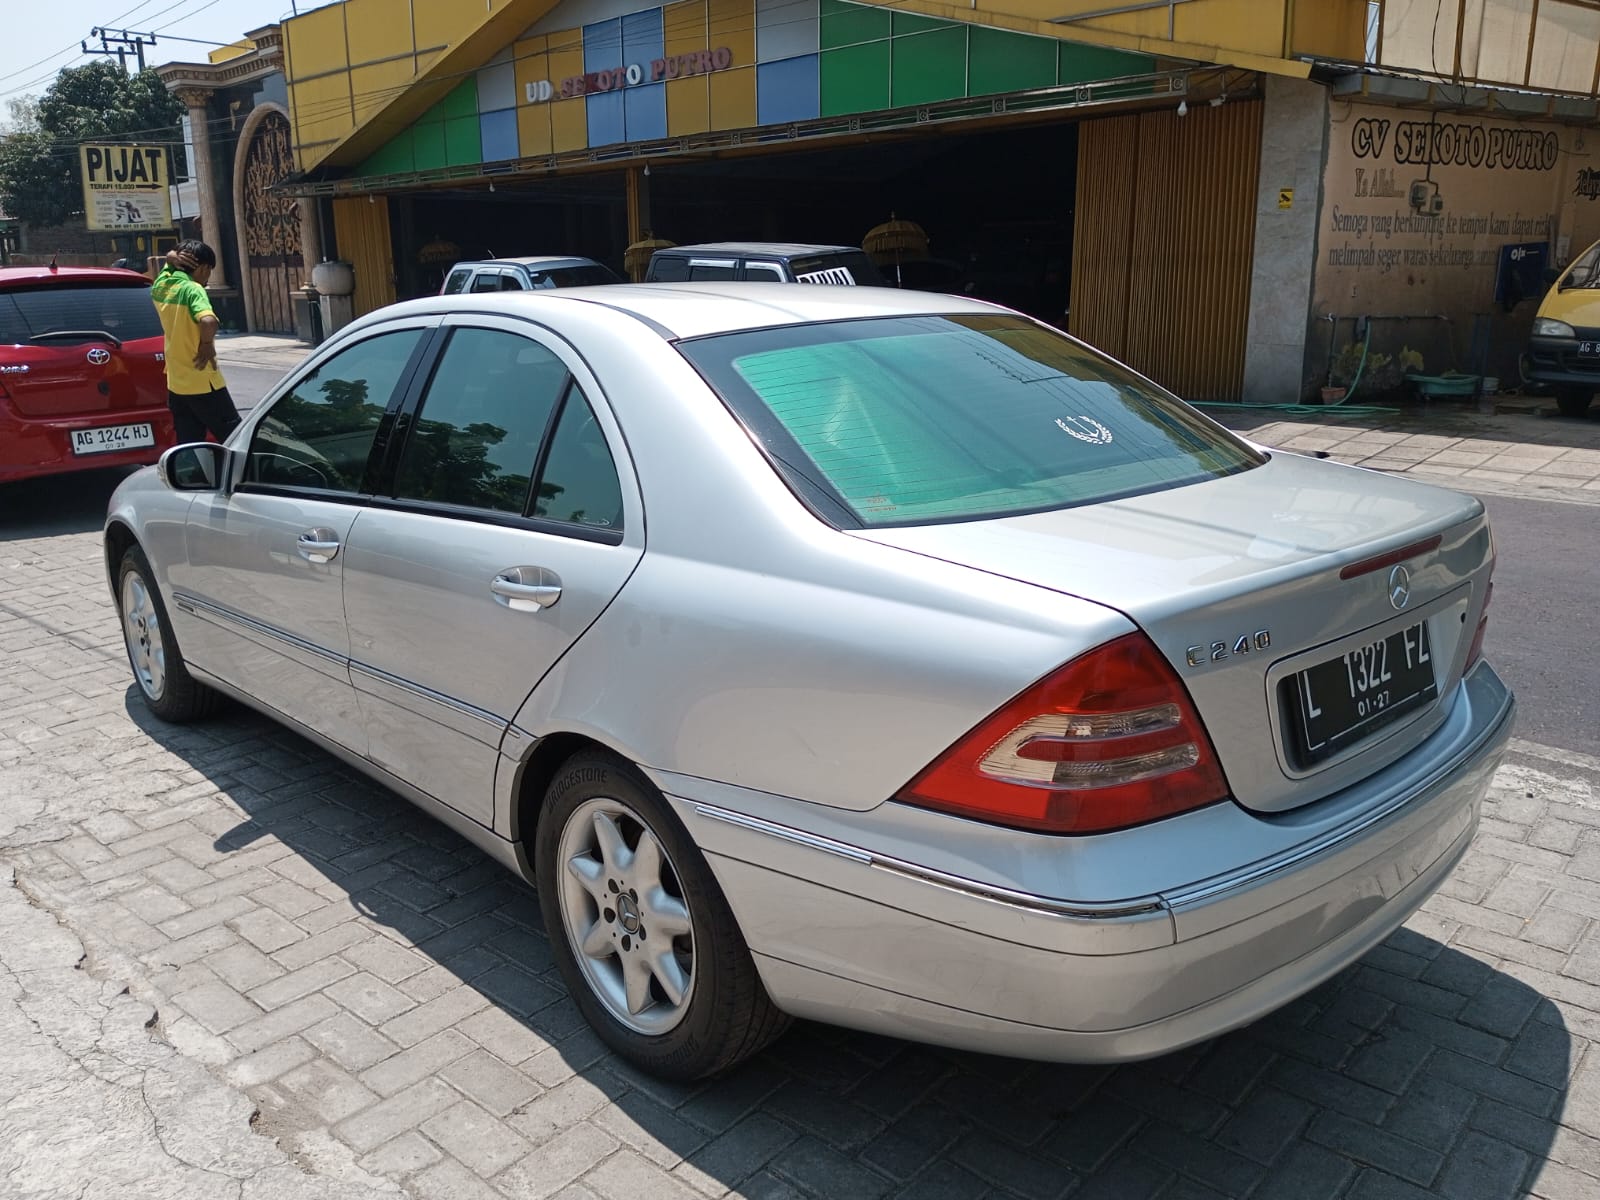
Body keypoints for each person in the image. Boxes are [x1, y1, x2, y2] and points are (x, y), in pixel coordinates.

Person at [151, 240, 240, 444]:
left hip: (176, 383)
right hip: (203, 381)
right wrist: (207, 345)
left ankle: (192, 476)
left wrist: (171, 257)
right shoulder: (193, 290)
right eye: (209, 271)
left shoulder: (161, 285)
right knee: (236, 438)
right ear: (203, 268)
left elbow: (168, 261)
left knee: (189, 442)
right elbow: (208, 321)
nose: (208, 278)